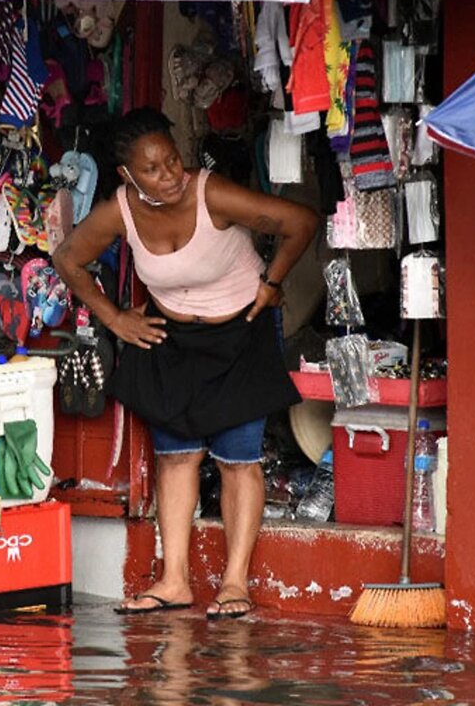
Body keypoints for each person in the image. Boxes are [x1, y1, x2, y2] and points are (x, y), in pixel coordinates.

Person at [52, 108, 317, 619]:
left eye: (172, 161)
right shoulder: (119, 210)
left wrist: (273, 282)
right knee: (176, 457)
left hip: (240, 334)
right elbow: (68, 258)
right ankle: (174, 580)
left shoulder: (209, 192)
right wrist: (114, 318)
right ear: (128, 176)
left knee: (238, 460)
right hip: (172, 339)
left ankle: (234, 583)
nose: (170, 175)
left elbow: (299, 223)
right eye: (152, 169)